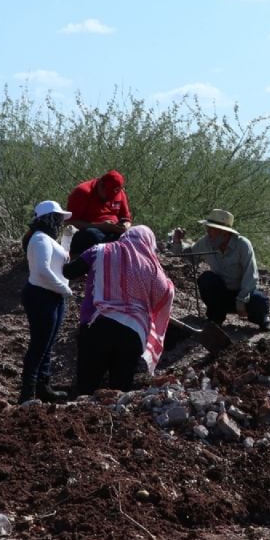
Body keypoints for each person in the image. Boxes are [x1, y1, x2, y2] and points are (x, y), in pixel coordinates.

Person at [63, 226, 175, 395]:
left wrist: (64, 250)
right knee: (119, 392)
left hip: (98, 325)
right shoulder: (152, 266)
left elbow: (70, 272)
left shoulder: (100, 251)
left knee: (86, 386)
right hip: (133, 332)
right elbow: (166, 293)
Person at [171, 209, 270, 330]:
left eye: (212, 229)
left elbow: (251, 275)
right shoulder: (206, 242)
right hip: (222, 294)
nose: (208, 232)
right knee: (206, 279)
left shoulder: (243, 245)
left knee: (259, 301)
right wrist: (177, 241)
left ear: (224, 233)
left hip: (243, 294)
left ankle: (263, 321)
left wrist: (242, 299)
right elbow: (191, 256)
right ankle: (215, 318)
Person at [20, 200, 72, 404]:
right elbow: (42, 271)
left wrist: (68, 239)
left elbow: (62, 260)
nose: (60, 223)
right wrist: (64, 288)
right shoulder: (40, 239)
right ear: (48, 218)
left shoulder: (46, 239)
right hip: (41, 296)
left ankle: (43, 387)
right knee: (39, 346)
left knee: (47, 344)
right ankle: (27, 394)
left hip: (51, 295)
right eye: (57, 218)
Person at [65, 170, 132, 258]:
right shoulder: (82, 192)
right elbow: (70, 222)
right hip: (91, 233)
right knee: (90, 235)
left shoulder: (119, 194)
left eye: (112, 196)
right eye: (108, 195)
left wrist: (125, 226)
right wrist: (100, 226)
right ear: (101, 184)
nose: (109, 198)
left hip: (113, 233)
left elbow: (126, 219)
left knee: (135, 237)